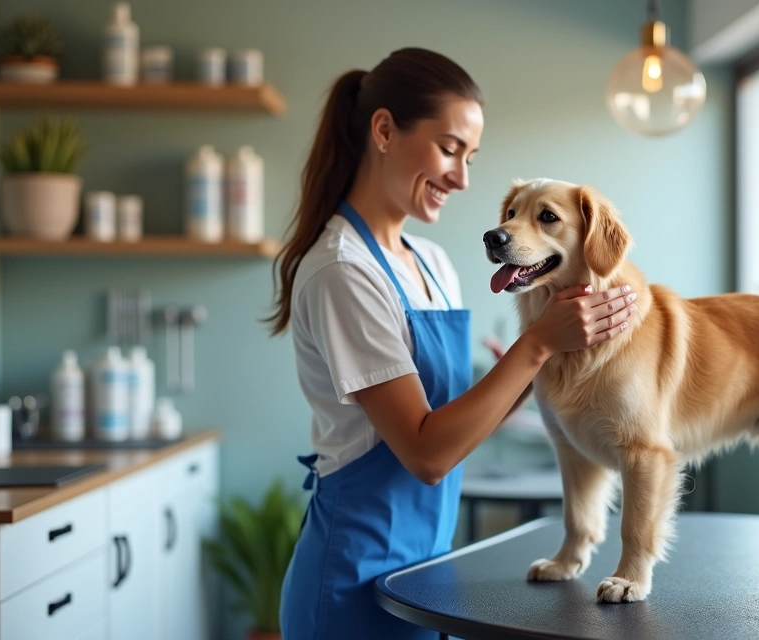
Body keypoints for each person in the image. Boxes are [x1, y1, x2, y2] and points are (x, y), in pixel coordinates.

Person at [266, 47, 637, 640]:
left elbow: (458, 422)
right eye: (448, 148)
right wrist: (538, 345)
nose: (462, 178)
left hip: (425, 573)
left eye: (470, 157)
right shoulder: (343, 271)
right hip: (350, 584)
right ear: (384, 130)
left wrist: (562, 354)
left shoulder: (431, 262)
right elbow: (428, 453)